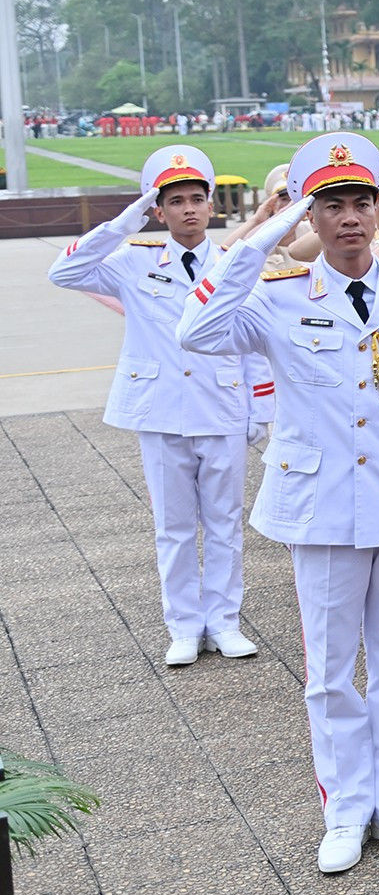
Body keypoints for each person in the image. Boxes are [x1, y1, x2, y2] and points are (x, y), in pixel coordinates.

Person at [179, 132, 379, 874]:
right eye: (331, 205)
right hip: (324, 507)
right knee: (332, 671)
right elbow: (197, 327)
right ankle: (345, 807)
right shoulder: (273, 298)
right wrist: (272, 231)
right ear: (312, 215)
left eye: (361, 202)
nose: (349, 219)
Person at [49, 145, 274, 667]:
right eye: (176, 201)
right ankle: (183, 625)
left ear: (212, 206)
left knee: (224, 523)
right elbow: (64, 273)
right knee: (173, 526)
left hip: (221, 407)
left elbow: (253, 340)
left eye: (198, 199)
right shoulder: (133, 260)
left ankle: (224, 622)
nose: (189, 209)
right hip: (161, 410)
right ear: (158, 209)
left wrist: (260, 408)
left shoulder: (233, 265)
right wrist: (121, 224)